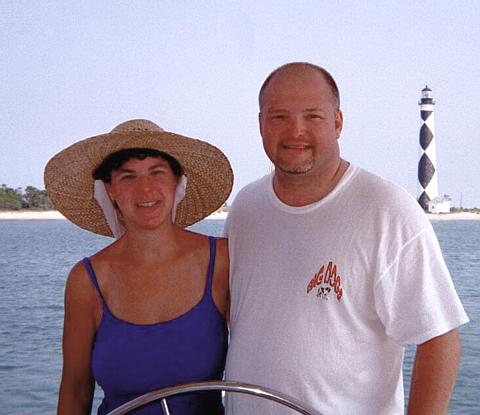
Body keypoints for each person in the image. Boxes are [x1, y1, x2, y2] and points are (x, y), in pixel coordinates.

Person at [224, 63, 469, 415]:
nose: (296, 131)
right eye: (279, 117)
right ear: (261, 124)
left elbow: (439, 338)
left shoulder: (386, 208)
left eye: (313, 117)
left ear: (338, 122)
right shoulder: (246, 208)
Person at [44, 119, 233, 415]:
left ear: (177, 181)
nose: (145, 188)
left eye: (157, 173)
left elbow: (262, 354)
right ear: (110, 191)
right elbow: (76, 389)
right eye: (128, 177)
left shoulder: (221, 260)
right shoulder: (87, 280)